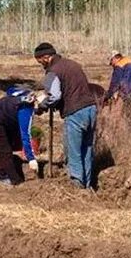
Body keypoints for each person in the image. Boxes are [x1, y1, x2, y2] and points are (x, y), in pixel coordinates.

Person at [33, 42, 98, 189]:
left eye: (40, 61)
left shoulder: (53, 71)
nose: (41, 65)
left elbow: (54, 96)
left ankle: (76, 187)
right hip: (91, 109)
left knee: (73, 152)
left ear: (46, 57)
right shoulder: (73, 64)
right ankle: (87, 187)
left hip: (76, 112)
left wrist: (42, 106)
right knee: (86, 150)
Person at [0, 87, 39, 186]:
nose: (40, 113)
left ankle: (0, 174)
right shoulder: (26, 110)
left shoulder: (26, 94)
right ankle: (16, 182)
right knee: (5, 152)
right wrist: (31, 158)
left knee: (8, 148)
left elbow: (10, 91)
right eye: (41, 110)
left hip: (0, 119)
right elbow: (26, 135)